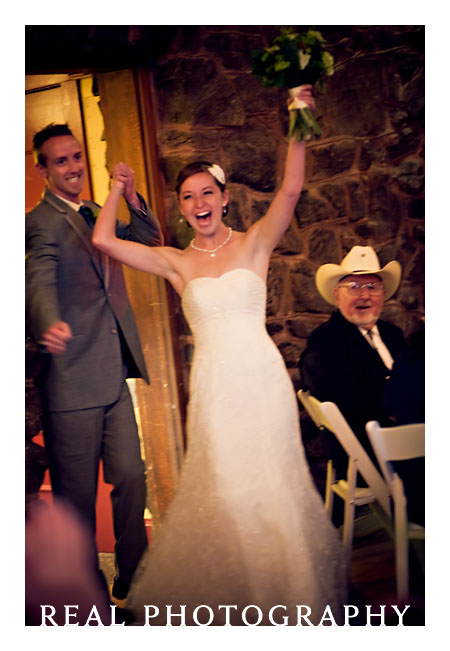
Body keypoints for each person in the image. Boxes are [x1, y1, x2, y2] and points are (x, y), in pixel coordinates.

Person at [93, 86, 346, 626]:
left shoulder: (254, 243)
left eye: (207, 192)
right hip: (213, 389)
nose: (199, 203)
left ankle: (292, 601)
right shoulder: (175, 262)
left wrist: (299, 111)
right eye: (188, 196)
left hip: (261, 382)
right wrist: (119, 188)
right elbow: (104, 242)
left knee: (272, 485)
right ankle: (239, 604)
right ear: (181, 208)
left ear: (223, 197)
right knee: (230, 490)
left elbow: (293, 187)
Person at [25, 123, 164, 602]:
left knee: (130, 475)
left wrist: (130, 196)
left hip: (112, 374)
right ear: (42, 170)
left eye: (77, 157)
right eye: (60, 161)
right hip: (70, 382)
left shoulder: (93, 211)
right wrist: (47, 322)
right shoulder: (36, 223)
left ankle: (134, 575)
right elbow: (38, 279)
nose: (73, 167)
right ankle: (88, 592)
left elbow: (147, 238)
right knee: (77, 501)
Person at [298, 246, 406, 473]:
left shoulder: (393, 334)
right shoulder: (325, 341)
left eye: (372, 286)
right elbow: (349, 406)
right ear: (337, 296)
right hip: (371, 453)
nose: (365, 295)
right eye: (354, 287)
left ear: (383, 294)